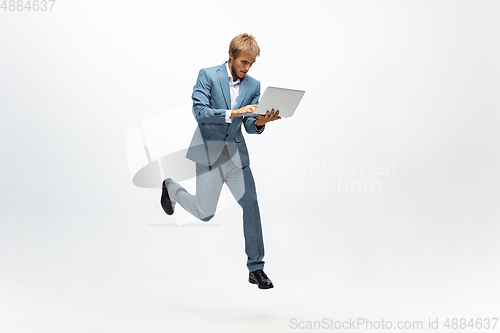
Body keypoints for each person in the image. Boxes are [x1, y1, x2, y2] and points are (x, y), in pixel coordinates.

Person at [160, 33, 280, 289]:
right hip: (208, 152)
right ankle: (171, 187)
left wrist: (260, 121)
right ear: (231, 56)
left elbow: (249, 126)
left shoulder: (253, 85)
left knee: (251, 205)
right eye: (244, 62)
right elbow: (200, 112)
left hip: (236, 156)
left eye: (251, 64)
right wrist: (233, 113)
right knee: (205, 213)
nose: (247, 68)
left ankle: (256, 268)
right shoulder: (208, 75)